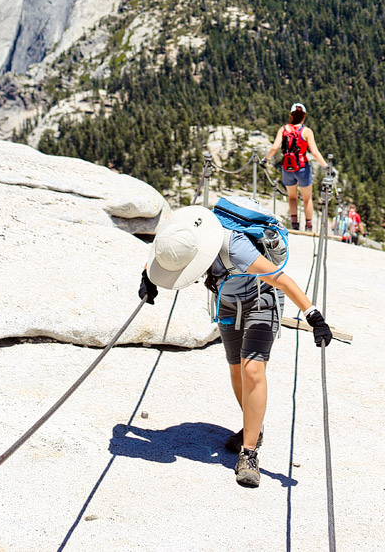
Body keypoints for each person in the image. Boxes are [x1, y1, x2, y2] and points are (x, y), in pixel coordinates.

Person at [138, 205, 332, 489]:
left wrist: (314, 316)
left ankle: (249, 452)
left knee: (252, 370)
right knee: (236, 370)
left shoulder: (236, 249)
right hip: (228, 302)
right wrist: (148, 276)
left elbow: (281, 279)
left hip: (261, 302)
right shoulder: (184, 235)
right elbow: (160, 252)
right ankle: (255, 426)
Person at [263, 102, 328, 232]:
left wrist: (265, 159)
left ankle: (294, 224)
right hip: (303, 167)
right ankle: (308, 226)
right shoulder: (306, 131)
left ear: (291, 115)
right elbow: (314, 152)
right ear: (304, 116)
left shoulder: (283, 129)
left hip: (288, 167)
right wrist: (326, 166)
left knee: (292, 197)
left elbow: (275, 147)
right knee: (307, 198)